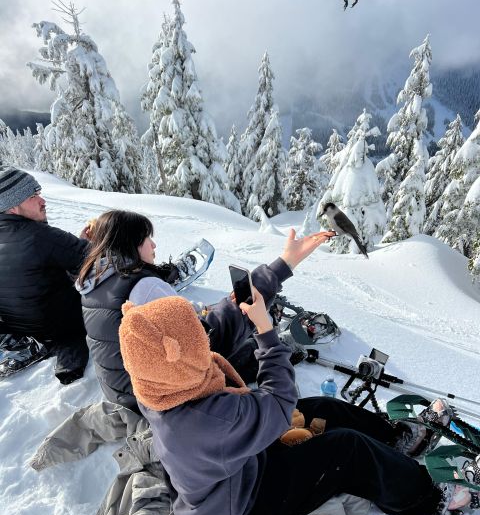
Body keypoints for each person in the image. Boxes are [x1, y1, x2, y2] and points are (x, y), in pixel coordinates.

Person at [119, 282, 475, 515]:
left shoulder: (155, 385)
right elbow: (278, 401)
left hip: (229, 467)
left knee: (320, 408)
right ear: (180, 353)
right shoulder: (209, 416)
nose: (202, 327)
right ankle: (429, 500)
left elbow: (259, 404)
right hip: (245, 504)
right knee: (346, 450)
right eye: (196, 329)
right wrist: (265, 332)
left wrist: (262, 285)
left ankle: (398, 441)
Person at [77, 208, 330, 412]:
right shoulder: (146, 287)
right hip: (154, 399)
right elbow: (206, 341)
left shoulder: (95, 280)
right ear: (129, 245)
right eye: (146, 239)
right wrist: (281, 266)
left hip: (119, 389)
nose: (154, 245)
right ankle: (282, 349)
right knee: (245, 345)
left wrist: (201, 310)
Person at [0, 166, 90, 384]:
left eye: (39, 193)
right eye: (33, 196)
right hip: (63, 327)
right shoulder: (42, 236)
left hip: (20, 328)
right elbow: (99, 258)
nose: (42, 201)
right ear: (12, 207)